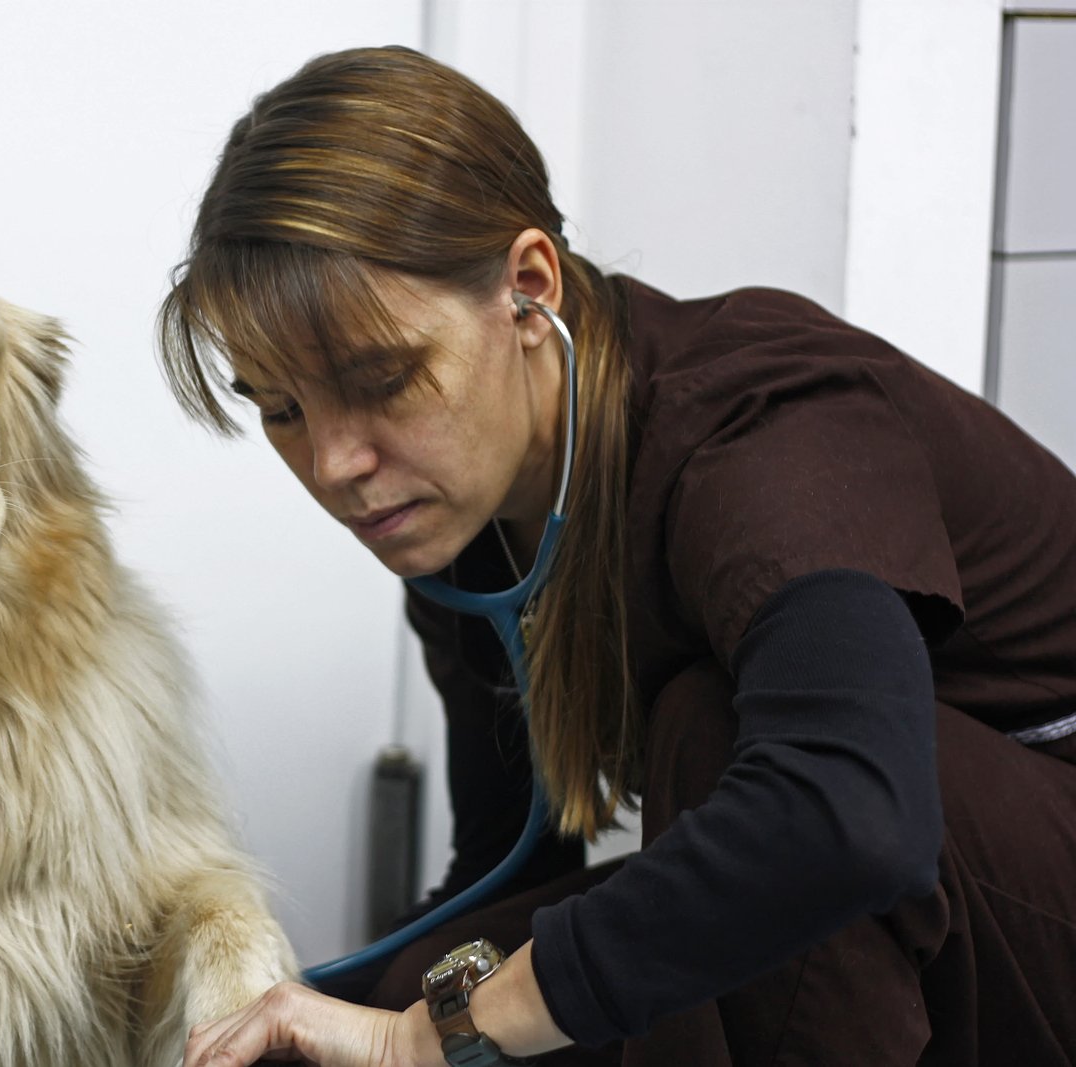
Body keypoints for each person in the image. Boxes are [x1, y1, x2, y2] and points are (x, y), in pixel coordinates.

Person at [158, 45, 1076, 1067]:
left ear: (527, 284)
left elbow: (849, 815)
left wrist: (432, 1035)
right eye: (281, 410)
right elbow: (501, 872)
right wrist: (313, 1018)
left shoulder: (759, 438)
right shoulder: (455, 531)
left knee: (716, 736)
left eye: (382, 378)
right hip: (917, 902)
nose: (334, 463)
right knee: (420, 987)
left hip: (1003, 886)